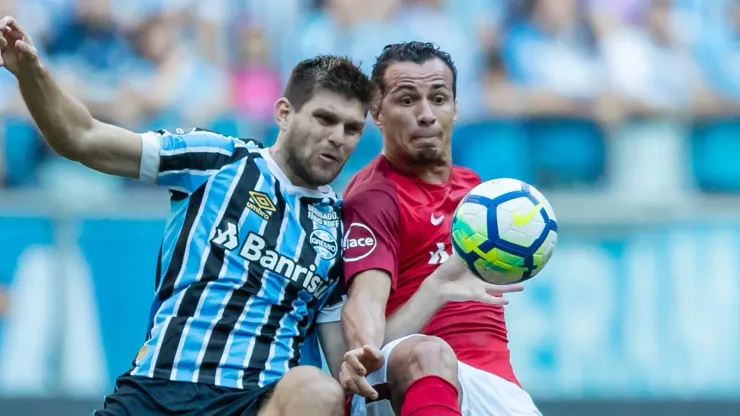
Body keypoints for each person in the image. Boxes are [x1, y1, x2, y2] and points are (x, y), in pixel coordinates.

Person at [0, 16, 372, 416]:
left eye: (352, 129)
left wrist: (353, 369)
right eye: (325, 119)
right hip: (158, 387)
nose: (338, 137)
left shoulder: (338, 226)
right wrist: (31, 74)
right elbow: (82, 137)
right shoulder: (216, 159)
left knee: (321, 390)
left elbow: (339, 360)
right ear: (283, 113)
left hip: (254, 401)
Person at [338, 41, 541, 416]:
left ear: (455, 109)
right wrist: (434, 289)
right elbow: (366, 313)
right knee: (430, 352)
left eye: (439, 98)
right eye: (407, 100)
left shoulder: (478, 194)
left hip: (490, 383)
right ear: (377, 113)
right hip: (399, 381)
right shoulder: (374, 196)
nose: (426, 114)